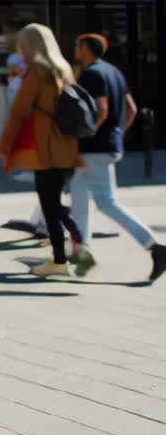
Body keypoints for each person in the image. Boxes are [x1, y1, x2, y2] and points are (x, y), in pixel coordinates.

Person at [69, 33, 166, 282]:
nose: (75, 49)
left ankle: (154, 246)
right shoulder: (114, 72)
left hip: (93, 149)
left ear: (86, 49)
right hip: (104, 147)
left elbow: (102, 109)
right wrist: (117, 134)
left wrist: (86, 136)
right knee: (79, 198)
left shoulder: (92, 74)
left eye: (77, 45)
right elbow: (130, 109)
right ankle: (81, 253)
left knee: (106, 202)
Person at [0, 24, 83, 277]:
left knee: (50, 206)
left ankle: (60, 260)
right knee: (54, 204)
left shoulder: (37, 73)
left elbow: (18, 111)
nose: (19, 49)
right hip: (67, 147)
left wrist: (5, 146)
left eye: (21, 45)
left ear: (30, 46)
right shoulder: (64, 69)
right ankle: (76, 247)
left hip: (47, 149)